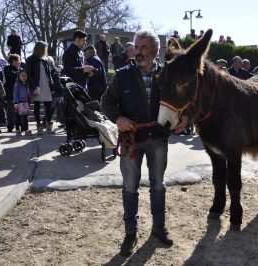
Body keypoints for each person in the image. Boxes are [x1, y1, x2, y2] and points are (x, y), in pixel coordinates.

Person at [101, 29, 188, 257]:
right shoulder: (122, 75)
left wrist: (185, 118)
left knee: (158, 184)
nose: (138, 52)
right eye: (137, 48)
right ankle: (131, 232)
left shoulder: (168, 75)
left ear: (156, 50)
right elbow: (106, 102)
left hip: (159, 139)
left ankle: (158, 228)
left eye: (144, 48)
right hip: (131, 141)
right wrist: (118, 119)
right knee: (130, 187)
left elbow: (185, 100)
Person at [26, 41, 58, 134]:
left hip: (46, 86)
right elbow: (29, 74)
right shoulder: (30, 59)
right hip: (36, 86)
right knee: (36, 107)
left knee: (49, 107)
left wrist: (52, 87)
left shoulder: (46, 60)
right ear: (40, 49)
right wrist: (34, 87)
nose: (46, 50)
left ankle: (49, 126)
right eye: (45, 48)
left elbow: (49, 75)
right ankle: (39, 127)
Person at [4, 54, 22, 132]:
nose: (20, 62)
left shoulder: (20, 69)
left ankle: (21, 125)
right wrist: (20, 72)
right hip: (10, 93)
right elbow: (12, 76)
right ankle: (10, 127)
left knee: (21, 110)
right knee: (10, 111)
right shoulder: (7, 68)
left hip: (20, 93)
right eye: (18, 60)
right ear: (13, 61)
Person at [13, 69, 32, 136]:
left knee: (25, 117)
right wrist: (16, 103)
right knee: (18, 117)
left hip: (26, 102)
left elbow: (29, 93)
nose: (24, 77)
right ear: (19, 76)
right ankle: (17, 130)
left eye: (25, 76)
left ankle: (26, 129)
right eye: (22, 76)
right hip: (19, 103)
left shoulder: (27, 84)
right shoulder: (17, 84)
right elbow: (15, 94)